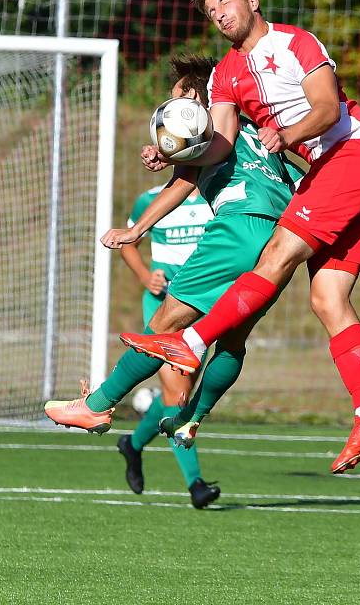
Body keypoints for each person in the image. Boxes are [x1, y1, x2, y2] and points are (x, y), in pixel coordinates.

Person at [121, 0, 360, 474]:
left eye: (225, 3)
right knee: (327, 299)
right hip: (331, 176)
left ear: (252, 0)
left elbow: (328, 107)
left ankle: (191, 342)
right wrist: (175, 151)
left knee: (275, 256)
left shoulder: (295, 42)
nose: (220, 14)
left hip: (350, 159)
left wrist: (284, 133)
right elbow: (221, 145)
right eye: (211, 12)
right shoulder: (224, 74)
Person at [44, 55, 303, 501]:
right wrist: (165, 152)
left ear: (197, 100)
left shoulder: (210, 132)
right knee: (233, 339)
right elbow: (298, 177)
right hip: (280, 242)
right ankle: (192, 418)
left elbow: (184, 181)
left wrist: (135, 230)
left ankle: (95, 405)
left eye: (180, 95)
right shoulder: (257, 134)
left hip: (236, 229)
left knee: (164, 327)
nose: (172, 104)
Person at [116, 181, 220, 508]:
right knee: (177, 393)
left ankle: (133, 445)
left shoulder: (216, 194)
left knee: (179, 391)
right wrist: (146, 277)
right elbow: (129, 242)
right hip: (164, 307)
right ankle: (196, 485)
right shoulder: (150, 199)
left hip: (203, 304)